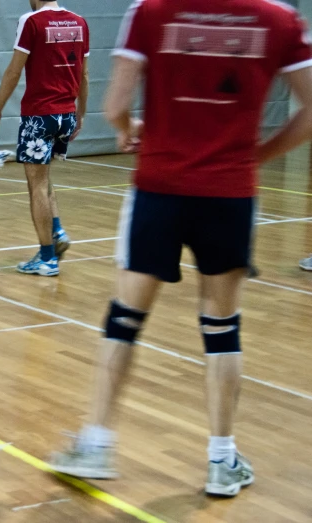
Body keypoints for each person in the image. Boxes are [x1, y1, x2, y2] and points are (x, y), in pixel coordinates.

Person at [50, 0, 312, 497]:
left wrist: (128, 131)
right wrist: (254, 156)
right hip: (230, 195)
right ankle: (221, 459)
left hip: (159, 189)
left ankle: (97, 443)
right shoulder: (280, 19)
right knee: (221, 328)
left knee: (124, 319)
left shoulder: (150, 11)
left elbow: (115, 106)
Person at [0, 0, 90, 276]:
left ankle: (47, 258)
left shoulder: (31, 21)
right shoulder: (79, 21)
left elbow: (13, 70)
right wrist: (81, 113)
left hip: (39, 116)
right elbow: (83, 73)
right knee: (44, 179)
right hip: (66, 114)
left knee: (36, 185)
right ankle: (56, 231)